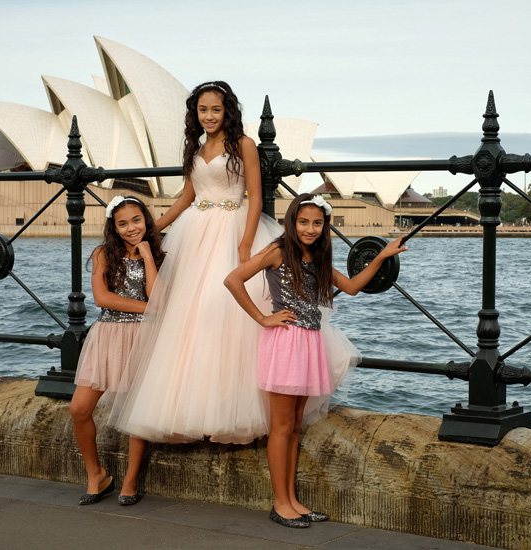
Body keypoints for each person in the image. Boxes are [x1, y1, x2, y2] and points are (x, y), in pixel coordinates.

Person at [107, 81, 284, 443]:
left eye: (215, 110)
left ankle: (229, 406)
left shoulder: (244, 145)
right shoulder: (196, 148)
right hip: (194, 235)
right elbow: (186, 198)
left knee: (222, 315)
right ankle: (188, 406)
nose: (209, 116)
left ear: (228, 110)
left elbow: (256, 197)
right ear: (195, 113)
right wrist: (152, 229)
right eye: (203, 110)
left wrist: (245, 243)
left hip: (231, 230)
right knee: (188, 316)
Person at [224, 193, 407, 528]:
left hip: (309, 343)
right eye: (303, 222)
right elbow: (233, 280)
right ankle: (280, 504)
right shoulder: (278, 251)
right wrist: (262, 318)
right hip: (284, 343)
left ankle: (293, 501)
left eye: (317, 223)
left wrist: (381, 255)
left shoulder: (317, 255)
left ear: (325, 226)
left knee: (294, 425)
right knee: (281, 427)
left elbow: (351, 288)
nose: (310, 229)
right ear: (292, 222)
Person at [69, 195, 164, 506]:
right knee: (79, 408)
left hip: (142, 338)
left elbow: (157, 294)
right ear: (114, 227)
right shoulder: (102, 254)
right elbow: (102, 298)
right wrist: (149, 309)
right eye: (122, 223)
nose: (131, 228)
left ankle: (130, 479)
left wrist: (148, 255)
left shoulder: (161, 255)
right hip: (107, 334)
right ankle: (96, 474)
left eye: (136, 220)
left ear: (146, 221)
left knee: (136, 411)